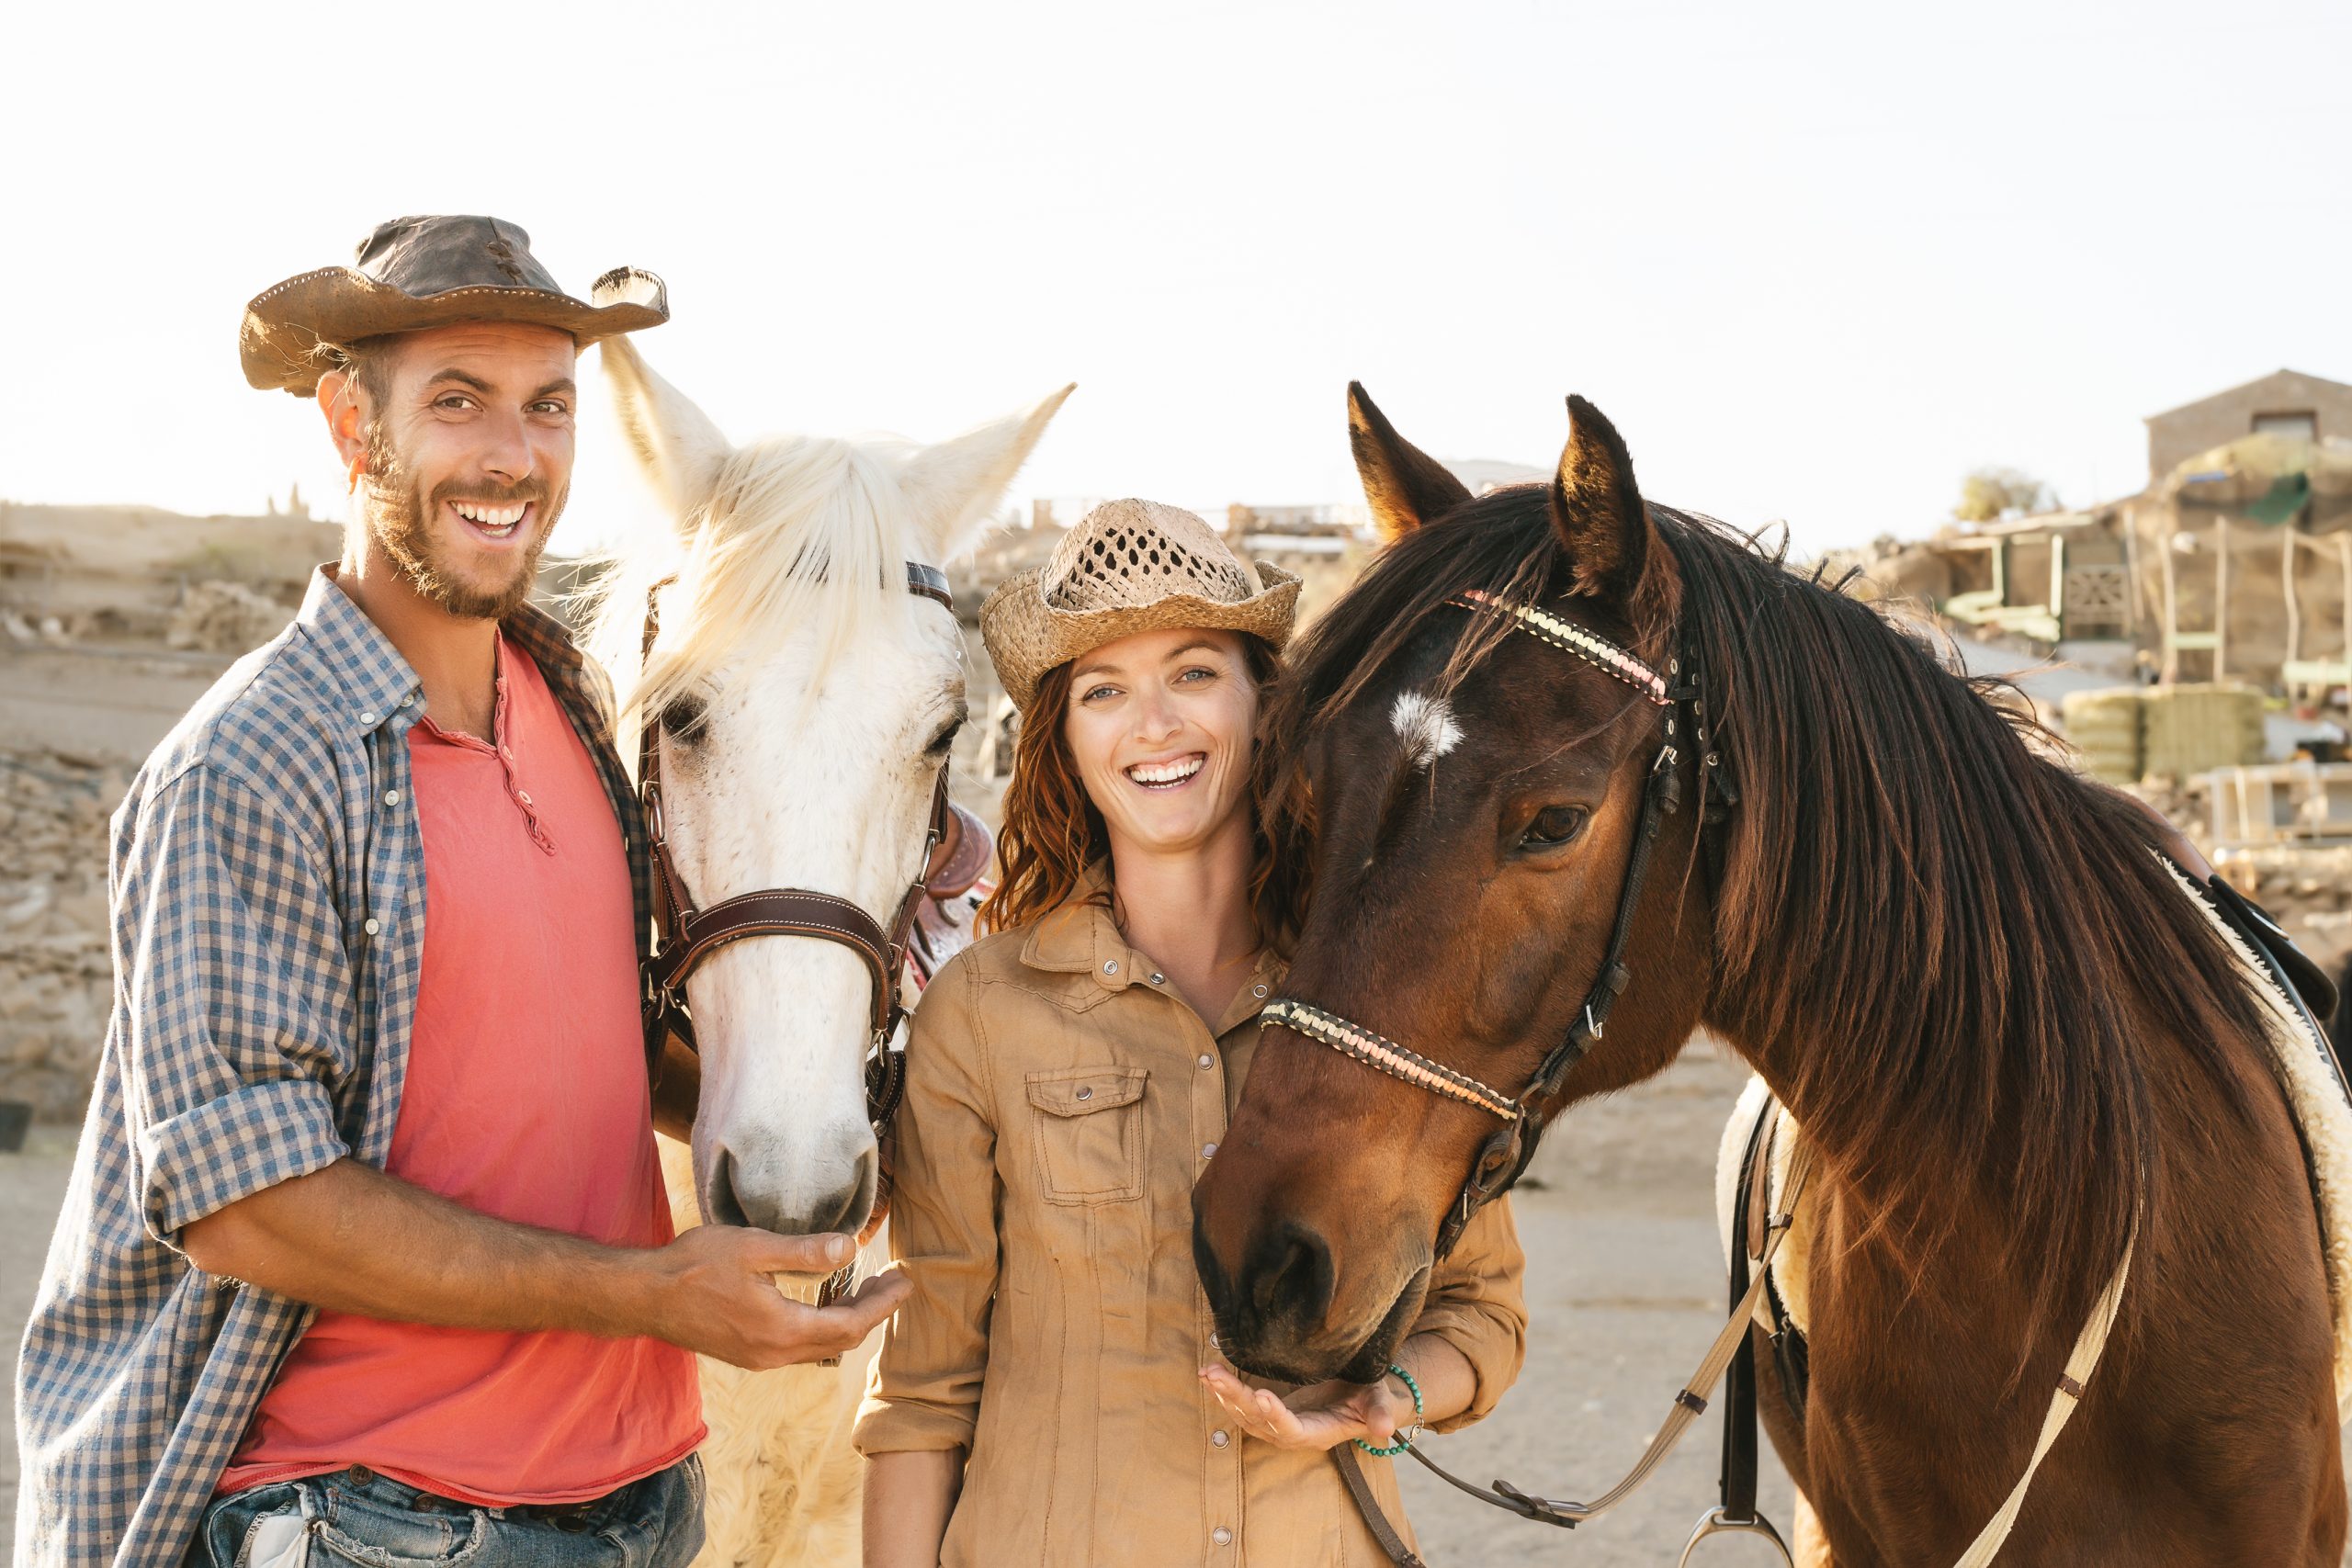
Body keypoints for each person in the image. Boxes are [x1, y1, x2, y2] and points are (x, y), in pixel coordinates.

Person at [13, 216, 907, 1568]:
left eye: (549, 406)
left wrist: (814, 1113)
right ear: (350, 424)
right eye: (457, 402)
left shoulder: (571, 705)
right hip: (373, 1514)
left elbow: (588, 1036)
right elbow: (245, 1198)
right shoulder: (256, 760)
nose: (513, 453)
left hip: (638, 1504)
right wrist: (648, 1295)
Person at [855, 500, 1527, 1565]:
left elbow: (1481, 1311)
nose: (1154, 724)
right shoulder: (980, 1015)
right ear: (1062, 741)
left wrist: (1380, 1400)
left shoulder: (1382, 1001)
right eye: (1104, 691)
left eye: (1195, 672)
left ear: (1268, 703)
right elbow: (924, 1396)